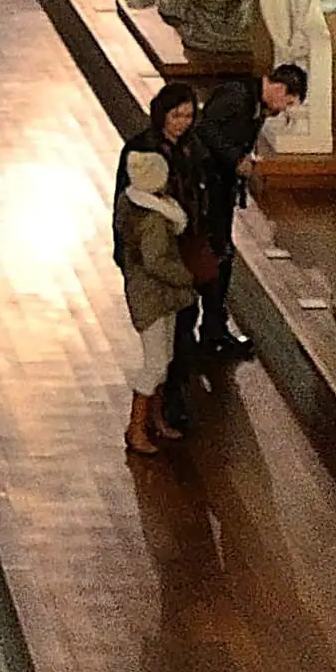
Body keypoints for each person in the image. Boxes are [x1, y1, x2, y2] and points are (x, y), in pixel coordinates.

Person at [173, 60, 307, 386]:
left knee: (222, 257)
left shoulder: (253, 103)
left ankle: (214, 328)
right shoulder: (236, 97)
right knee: (212, 256)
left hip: (219, 190)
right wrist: (235, 159)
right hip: (206, 191)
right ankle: (198, 333)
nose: (283, 110)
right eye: (287, 102)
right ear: (278, 88)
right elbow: (205, 129)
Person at [113, 147, 191, 459]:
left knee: (165, 356)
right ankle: (137, 426)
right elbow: (157, 261)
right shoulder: (155, 221)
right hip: (153, 295)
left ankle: (154, 419)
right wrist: (187, 276)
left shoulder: (131, 203)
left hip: (155, 294)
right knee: (156, 362)